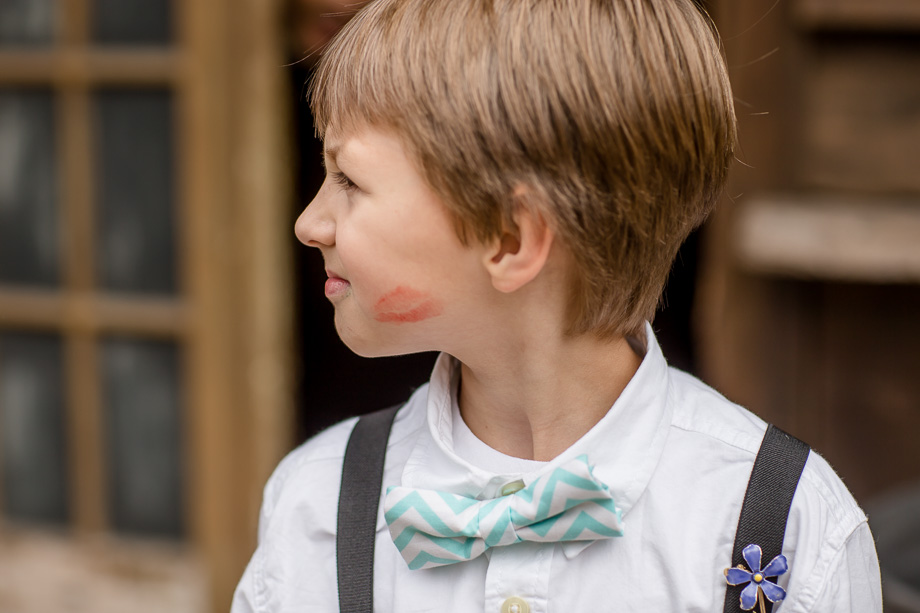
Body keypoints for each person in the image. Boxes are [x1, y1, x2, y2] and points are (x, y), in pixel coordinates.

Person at [232, 0, 882, 610]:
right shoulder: (316, 505)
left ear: (511, 238)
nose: (310, 222)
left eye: (348, 179)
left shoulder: (786, 524)